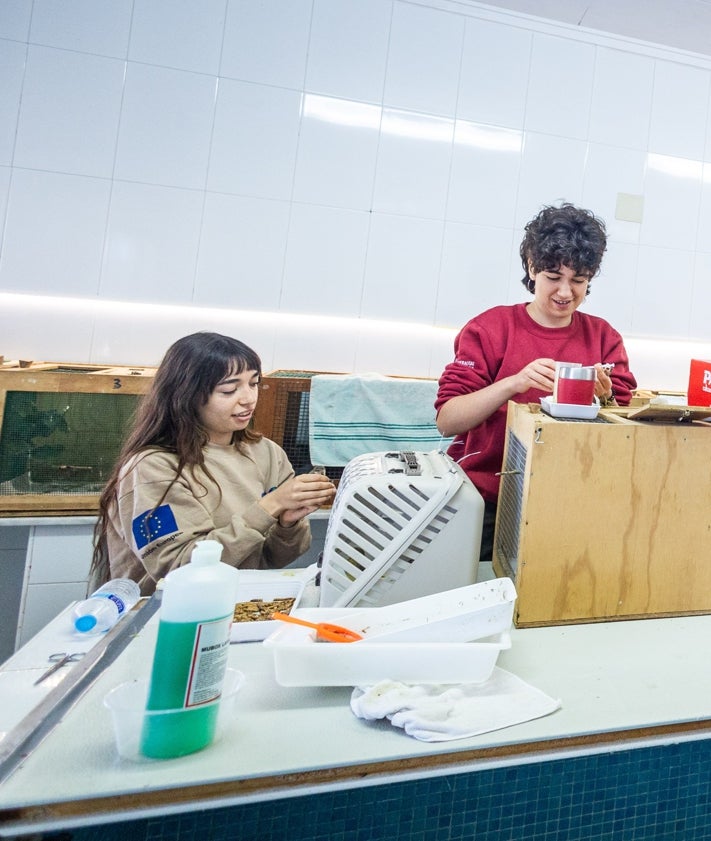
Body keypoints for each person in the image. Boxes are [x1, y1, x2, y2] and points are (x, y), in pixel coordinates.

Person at [435, 203, 637, 563]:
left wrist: (605, 402)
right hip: (486, 504)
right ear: (531, 267)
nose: (564, 292)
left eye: (578, 280)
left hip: (570, 505)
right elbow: (448, 420)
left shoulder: (604, 337)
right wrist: (513, 383)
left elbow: (625, 432)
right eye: (553, 277)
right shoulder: (491, 328)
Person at [91, 332, 336, 595]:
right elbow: (178, 570)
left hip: (234, 603)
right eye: (229, 390)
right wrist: (270, 506)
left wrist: (287, 524)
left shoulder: (266, 453)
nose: (248, 398)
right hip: (164, 615)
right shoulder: (154, 466)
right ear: (188, 394)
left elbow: (270, 559)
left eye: (253, 384)